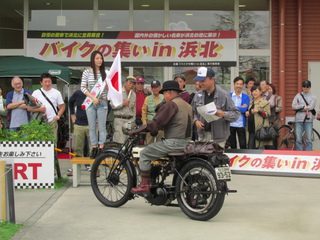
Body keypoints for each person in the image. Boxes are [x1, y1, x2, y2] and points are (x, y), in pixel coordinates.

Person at [130, 80, 193, 194]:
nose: (164, 97)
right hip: (187, 142)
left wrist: (139, 129)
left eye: (164, 94)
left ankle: (145, 184)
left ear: (168, 92)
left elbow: (156, 123)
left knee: (145, 153)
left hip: (173, 143)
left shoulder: (171, 104)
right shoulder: (187, 105)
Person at [192, 67, 240, 148]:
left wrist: (224, 114)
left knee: (216, 160)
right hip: (202, 136)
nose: (200, 84)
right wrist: (196, 121)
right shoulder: (198, 95)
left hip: (218, 138)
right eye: (199, 81)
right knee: (203, 159)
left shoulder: (223, 95)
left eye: (203, 81)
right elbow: (192, 111)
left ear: (212, 79)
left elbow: (236, 114)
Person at [81, 50, 109, 159]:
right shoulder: (86, 72)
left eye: (101, 58)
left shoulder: (106, 72)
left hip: (102, 101)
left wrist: (108, 91)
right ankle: (94, 148)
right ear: (92, 59)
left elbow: (111, 87)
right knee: (92, 127)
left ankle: (101, 147)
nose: (99, 60)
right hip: (90, 102)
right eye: (97, 58)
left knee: (102, 127)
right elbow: (83, 87)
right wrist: (93, 98)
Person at [27, 73, 65, 141]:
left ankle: (53, 152)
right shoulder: (36, 93)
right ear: (41, 83)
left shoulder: (56, 92)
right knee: (40, 142)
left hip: (52, 121)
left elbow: (62, 106)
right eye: (45, 82)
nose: (47, 84)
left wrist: (57, 117)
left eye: (49, 81)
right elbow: (29, 108)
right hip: (39, 121)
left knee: (52, 142)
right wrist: (39, 109)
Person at [67, 89, 91, 175]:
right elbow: (70, 102)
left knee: (93, 148)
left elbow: (106, 106)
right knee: (77, 148)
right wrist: (72, 114)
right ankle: (75, 169)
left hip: (91, 124)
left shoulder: (96, 92)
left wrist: (100, 118)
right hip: (79, 124)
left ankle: (95, 169)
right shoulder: (78, 93)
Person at [245, 83, 272, 149]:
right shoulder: (251, 102)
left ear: (260, 92)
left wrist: (258, 111)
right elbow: (250, 113)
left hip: (259, 129)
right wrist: (247, 113)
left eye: (256, 91)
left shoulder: (265, 102)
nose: (254, 93)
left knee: (259, 148)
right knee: (250, 147)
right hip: (251, 128)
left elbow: (267, 114)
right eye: (253, 91)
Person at [292, 80, 316, 151]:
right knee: (298, 139)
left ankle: (308, 154)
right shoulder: (298, 95)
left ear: (310, 87)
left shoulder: (313, 97)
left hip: (308, 119)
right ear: (302, 87)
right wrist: (303, 107)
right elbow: (293, 106)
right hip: (298, 119)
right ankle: (299, 153)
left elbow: (311, 107)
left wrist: (299, 106)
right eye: (304, 86)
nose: (305, 88)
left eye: (307, 86)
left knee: (309, 139)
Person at [111, 76, 136, 144]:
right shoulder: (118, 92)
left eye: (133, 84)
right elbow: (112, 105)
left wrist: (133, 120)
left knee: (129, 142)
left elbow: (134, 109)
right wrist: (122, 104)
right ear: (125, 83)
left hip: (129, 121)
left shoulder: (133, 94)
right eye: (130, 83)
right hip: (120, 119)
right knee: (119, 141)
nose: (131, 85)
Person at [228, 77, 250, 149]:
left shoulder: (246, 97)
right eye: (237, 84)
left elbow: (244, 109)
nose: (239, 86)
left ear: (243, 85)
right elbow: (227, 108)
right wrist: (240, 107)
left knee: (243, 144)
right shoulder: (229, 96)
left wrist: (233, 107)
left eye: (240, 84)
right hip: (231, 123)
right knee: (232, 144)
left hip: (241, 123)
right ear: (234, 84)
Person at [141, 80, 164, 144]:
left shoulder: (164, 97)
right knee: (149, 144)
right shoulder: (148, 98)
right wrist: (145, 124)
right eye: (153, 87)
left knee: (161, 145)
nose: (155, 89)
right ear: (151, 88)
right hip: (150, 126)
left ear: (160, 88)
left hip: (161, 126)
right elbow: (144, 112)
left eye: (157, 87)